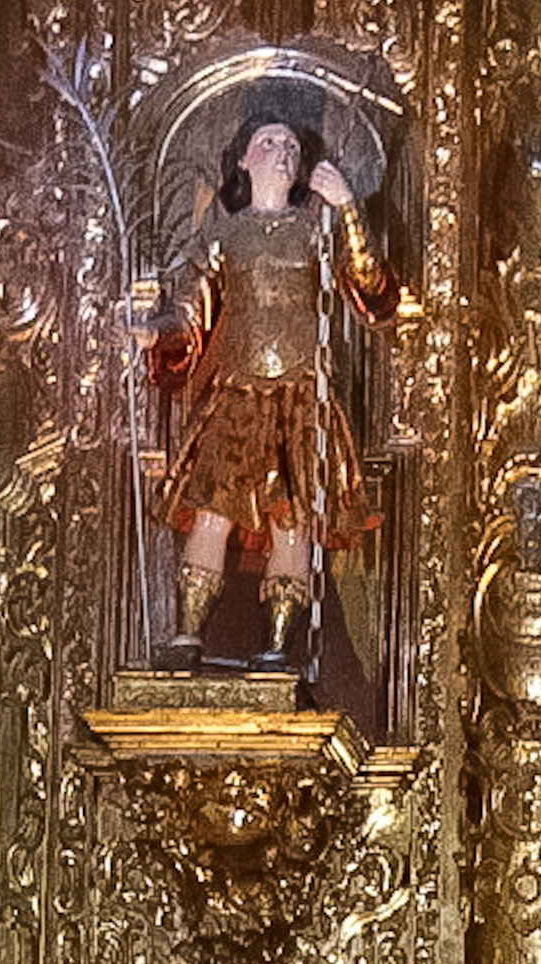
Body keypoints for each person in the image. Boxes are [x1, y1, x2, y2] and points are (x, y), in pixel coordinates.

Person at [147, 112, 400, 669]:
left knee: (293, 520)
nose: (282, 150)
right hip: (235, 395)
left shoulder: (316, 230)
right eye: (269, 142)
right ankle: (188, 633)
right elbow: (190, 304)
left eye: (290, 143)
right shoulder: (223, 232)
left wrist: (349, 208)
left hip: (300, 397)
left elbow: (370, 283)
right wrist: (160, 331)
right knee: (213, 511)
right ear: (245, 159)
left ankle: (279, 646)